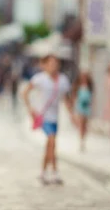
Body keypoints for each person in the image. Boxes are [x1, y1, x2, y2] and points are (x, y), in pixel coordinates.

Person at [22, 54, 74, 185]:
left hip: (55, 117)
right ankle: (55, 172)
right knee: (52, 141)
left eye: (55, 63)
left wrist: (72, 115)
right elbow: (25, 92)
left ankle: (43, 172)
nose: (53, 66)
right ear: (44, 65)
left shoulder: (63, 80)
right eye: (50, 63)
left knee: (50, 145)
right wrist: (30, 109)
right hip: (43, 116)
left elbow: (66, 99)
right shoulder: (39, 79)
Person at [73, 71, 94, 152]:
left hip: (87, 107)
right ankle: (81, 141)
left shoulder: (89, 87)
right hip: (80, 107)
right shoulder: (78, 86)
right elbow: (74, 97)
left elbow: (91, 97)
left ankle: (83, 139)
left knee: (85, 126)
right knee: (81, 125)